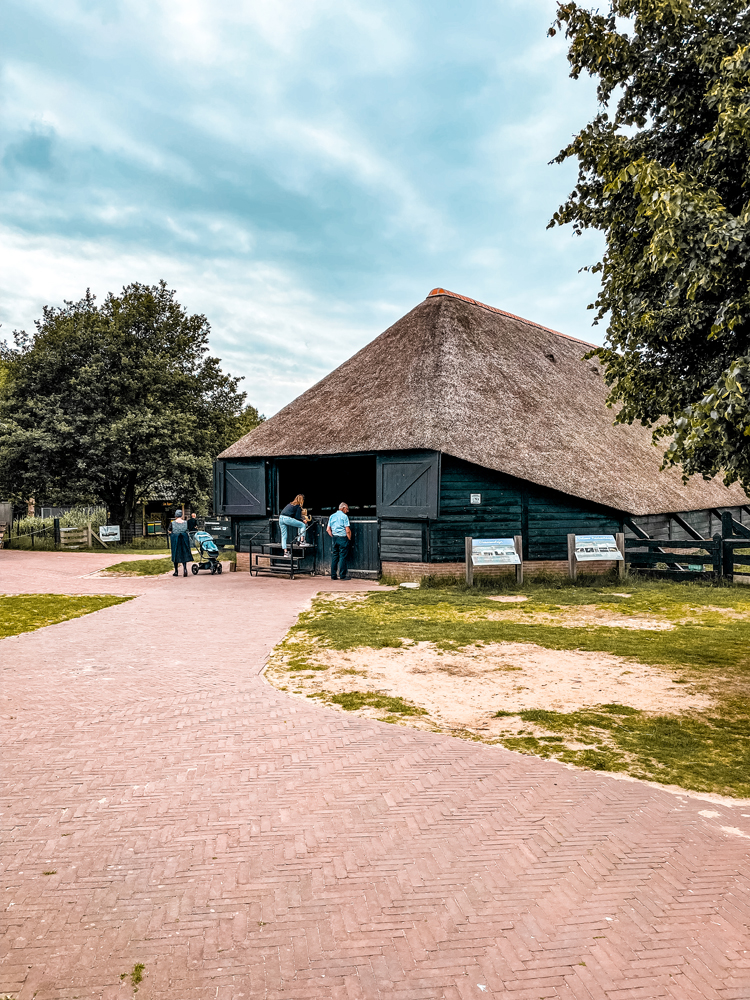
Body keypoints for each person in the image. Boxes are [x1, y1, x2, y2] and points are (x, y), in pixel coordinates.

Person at [327, 502, 351, 580]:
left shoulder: (332, 516)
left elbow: (328, 529)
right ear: (343, 508)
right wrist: (349, 538)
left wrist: (333, 536)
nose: (347, 511)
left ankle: (333, 575)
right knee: (342, 557)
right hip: (342, 538)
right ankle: (342, 575)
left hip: (335, 538)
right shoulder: (344, 517)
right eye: (347, 509)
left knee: (335, 556)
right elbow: (347, 530)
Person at [168, 509, 194, 577]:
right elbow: (187, 530)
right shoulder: (185, 522)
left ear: (176, 516)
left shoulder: (173, 523)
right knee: (184, 554)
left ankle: (176, 571)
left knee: (175, 554)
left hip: (176, 540)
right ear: (181, 515)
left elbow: (169, 530)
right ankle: (185, 569)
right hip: (183, 540)